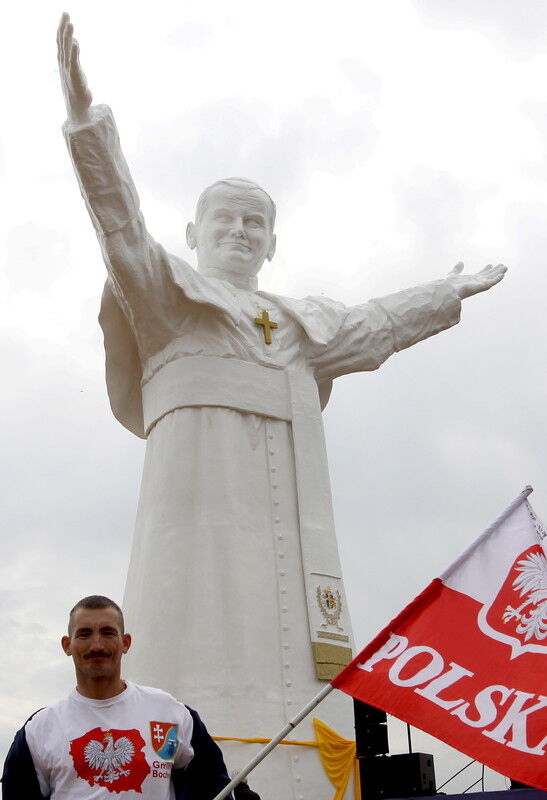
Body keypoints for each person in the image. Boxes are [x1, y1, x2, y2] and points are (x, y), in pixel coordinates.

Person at [56, 14, 507, 798]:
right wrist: (87, 126)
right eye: (224, 219)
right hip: (190, 509)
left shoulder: (302, 328)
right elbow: (120, 227)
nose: (239, 231)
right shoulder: (167, 302)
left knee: (305, 648)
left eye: (254, 222)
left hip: (296, 535)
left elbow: (375, 324)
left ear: (272, 243)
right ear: (194, 232)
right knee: (187, 611)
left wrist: (445, 292)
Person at [1, 595, 233, 799]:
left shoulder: (171, 713)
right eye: (84, 634)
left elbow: (212, 783)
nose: (97, 645)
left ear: (126, 642)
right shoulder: (40, 729)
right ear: (67, 645)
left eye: (108, 632)